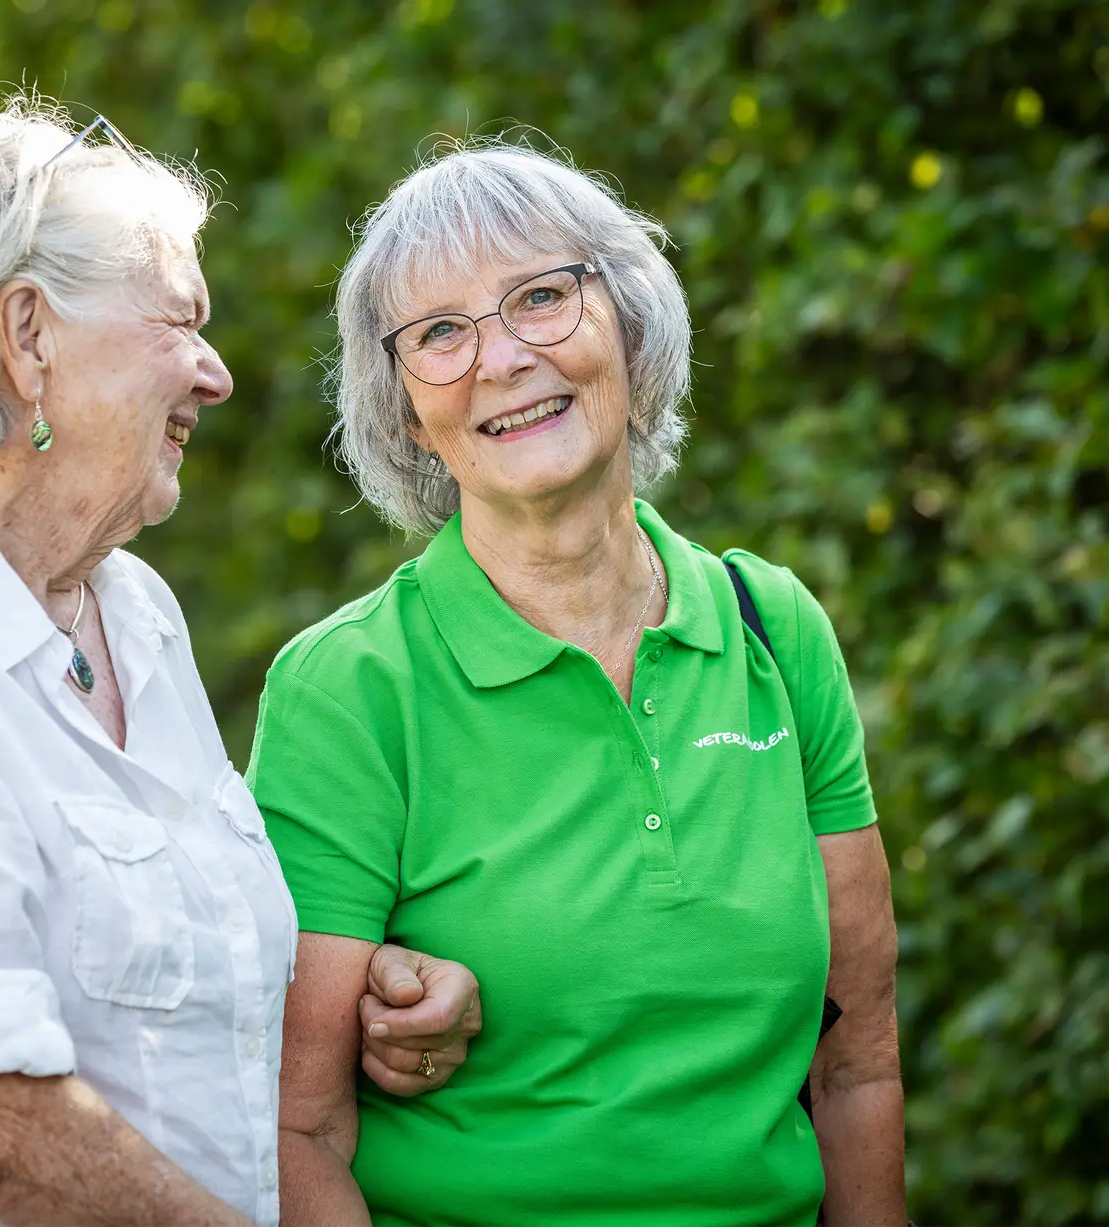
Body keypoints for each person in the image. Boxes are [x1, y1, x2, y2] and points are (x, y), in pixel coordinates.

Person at [0, 97, 481, 1227]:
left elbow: (176, 987)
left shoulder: (134, 610)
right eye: (179, 320)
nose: (214, 374)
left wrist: (371, 1000)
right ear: (28, 336)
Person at [248, 141, 906, 1227]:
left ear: (630, 325)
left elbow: (857, 1064)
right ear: (405, 410)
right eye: (441, 332)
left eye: (542, 298)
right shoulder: (350, 687)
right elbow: (294, 1128)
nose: (503, 358)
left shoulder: (774, 630)